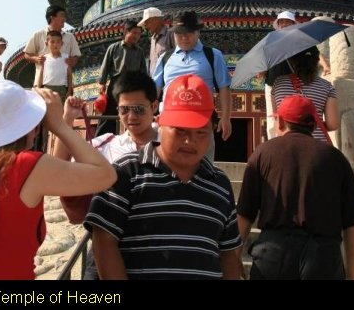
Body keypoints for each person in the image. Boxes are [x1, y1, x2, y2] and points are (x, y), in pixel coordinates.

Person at [0, 82, 116, 280]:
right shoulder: (25, 165)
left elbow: (53, 168)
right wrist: (59, 125)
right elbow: (106, 175)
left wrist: (67, 118)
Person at [85, 74, 243, 280]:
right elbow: (104, 240)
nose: (189, 141)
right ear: (160, 123)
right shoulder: (125, 173)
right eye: (180, 131)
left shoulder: (219, 183)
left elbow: (229, 253)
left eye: (201, 133)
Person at [236, 95, 354, 280]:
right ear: (314, 125)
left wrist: (234, 257)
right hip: (322, 257)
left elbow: (244, 215)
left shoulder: (262, 154)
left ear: (280, 121)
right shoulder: (335, 158)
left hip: (273, 256)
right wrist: (351, 273)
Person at [55, 70, 160, 279]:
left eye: (139, 109)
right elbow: (59, 168)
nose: (131, 117)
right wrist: (67, 119)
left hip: (156, 249)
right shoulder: (108, 144)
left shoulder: (169, 145)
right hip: (105, 247)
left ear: (154, 106)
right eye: (124, 110)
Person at [152, 11, 232, 160]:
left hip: (201, 121)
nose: (183, 38)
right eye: (179, 34)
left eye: (188, 33)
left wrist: (226, 118)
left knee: (203, 168)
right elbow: (155, 89)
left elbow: (224, 87)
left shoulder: (213, 55)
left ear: (198, 32)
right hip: (170, 121)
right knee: (169, 165)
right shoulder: (165, 58)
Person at [271, 47, 338, 143]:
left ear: (293, 61)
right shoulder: (327, 86)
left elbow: (277, 120)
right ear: (317, 60)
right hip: (318, 145)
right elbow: (333, 124)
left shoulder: (278, 83)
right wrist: (310, 126)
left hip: (286, 145)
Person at [95, 20, 147, 136]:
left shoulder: (139, 52)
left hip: (132, 85)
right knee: (109, 114)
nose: (136, 36)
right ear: (126, 32)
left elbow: (143, 71)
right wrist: (102, 83)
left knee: (130, 113)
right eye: (134, 32)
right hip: (115, 84)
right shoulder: (114, 48)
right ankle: (100, 139)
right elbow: (105, 65)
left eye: (139, 34)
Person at [24, 5, 81, 85]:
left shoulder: (70, 37)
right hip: (41, 84)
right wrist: (36, 59)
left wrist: (73, 61)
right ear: (52, 17)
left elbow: (76, 56)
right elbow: (27, 54)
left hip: (64, 84)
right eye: (62, 15)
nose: (65, 19)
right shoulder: (38, 35)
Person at [264, 10, 298, 139]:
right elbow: (265, 57)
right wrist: (262, 69)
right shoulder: (271, 39)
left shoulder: (298, 40)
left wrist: (325, 65)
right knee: (273, 117)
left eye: (287, 21)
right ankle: (274, 144)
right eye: (281, 22)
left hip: (291, 82)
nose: (284, 24)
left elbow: (313, 54)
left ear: (293, 23)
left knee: (292, 115)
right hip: (272, 82)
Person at [35, 30, 73, 102]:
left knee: (61, 111)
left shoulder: (66, 58)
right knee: (49, 111)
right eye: (52, 42)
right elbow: (41, 74)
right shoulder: (44, 58)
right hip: (47, 89)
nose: (55, 44)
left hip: (62, 90)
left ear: (62, 43)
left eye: (58, 42)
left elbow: (69, 75)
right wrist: (38, 88)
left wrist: (69, 91)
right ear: (46, 43)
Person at [137, 7, 174, 75]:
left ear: (156, 20)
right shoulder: (153, 39)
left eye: (147, 22)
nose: (145, 26)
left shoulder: (171, 34)